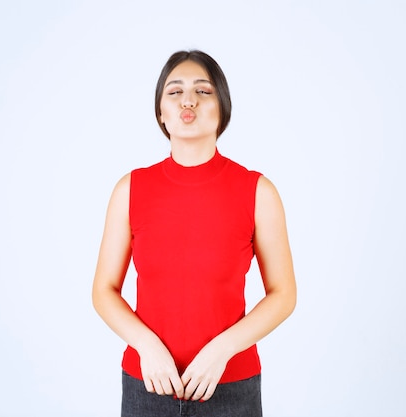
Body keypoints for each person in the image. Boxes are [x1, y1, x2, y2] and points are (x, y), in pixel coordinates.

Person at [92, 49, 296, 417]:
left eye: (204, 91)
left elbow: (283, 295)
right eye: (174, 92)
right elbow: (104, 290)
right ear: (161, 114)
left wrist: (221, 351)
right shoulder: (130, 189)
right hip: (147, 386)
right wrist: (145, 347)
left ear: (223, 109)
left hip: (232, 387)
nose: (188, 100)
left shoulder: (257, 191)